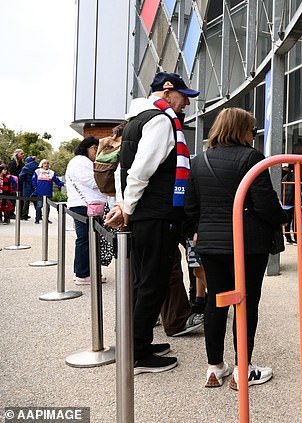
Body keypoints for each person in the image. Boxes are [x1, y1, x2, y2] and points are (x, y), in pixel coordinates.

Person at [104, 71, 200, 374]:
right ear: (168, 92)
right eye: (184, 96)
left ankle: (138, 343)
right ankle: (137, 354)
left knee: (142, 281)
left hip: (145, 213)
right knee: (152, 284)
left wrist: (124, 204)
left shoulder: (136, 120)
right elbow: (141, 169)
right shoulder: (160, 121)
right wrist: (128, 207)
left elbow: (125, 170)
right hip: (156, 214)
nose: (186, 103)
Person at [184, 107, 287, 389]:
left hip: (211, 244)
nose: (253, 136)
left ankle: (214, 368)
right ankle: (244, 369)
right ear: (242, 130)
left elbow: (190, 207)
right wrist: (284, 216)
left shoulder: (199, 161)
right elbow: (265, 204)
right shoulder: (251, 158)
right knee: (246, 302)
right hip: (248, 244)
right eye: (252, 130)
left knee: (218, 301)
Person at [65, 137, 107, 285]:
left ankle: (87, 272)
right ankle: (82, 274)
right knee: (85, 240)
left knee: (89, 240)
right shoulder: (80, 161)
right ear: (86, 148)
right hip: (84, 206)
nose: (97, 151)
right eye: (95, 148)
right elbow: (93, 181)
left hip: (86, 205)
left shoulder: (83, 162)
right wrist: (107, 178)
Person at [32, 159, 64, 224]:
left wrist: (64, 184)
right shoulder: (37, 171)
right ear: (41, 164)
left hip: (48, 192)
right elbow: (33, 180)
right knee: (39, 206)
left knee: (47, 207)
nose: (46, 165)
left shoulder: (51, 172)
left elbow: (57, 181)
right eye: (44, 163)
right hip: (39, 192)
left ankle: (46, 219)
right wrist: (35, 188)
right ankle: (37, 219)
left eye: (47, 163)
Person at [7, 149, 25, 218]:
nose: (23, 155)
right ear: (17, 154)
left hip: (21, 183)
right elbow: (10, 174)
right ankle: (11, 213)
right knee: (13, 198)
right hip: (14, 183)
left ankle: (21, 214)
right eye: (21, 153)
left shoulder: (22, 163)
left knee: (21, 198)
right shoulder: (12, 163)